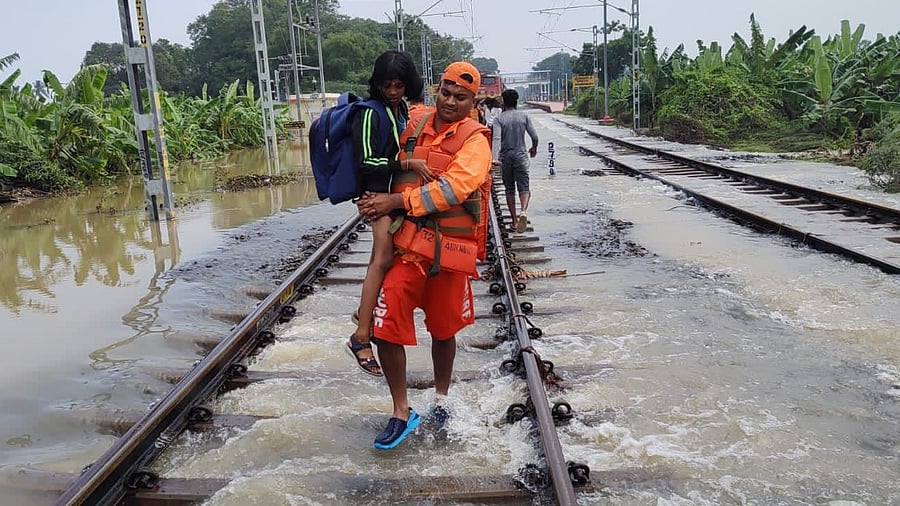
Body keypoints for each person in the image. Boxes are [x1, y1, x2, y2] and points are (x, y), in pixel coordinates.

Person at [355, 61, 492, 449]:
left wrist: (395, 200)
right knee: (387, 327)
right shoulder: (412, 122)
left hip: (449, 254)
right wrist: (368, 194)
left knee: (444, 331)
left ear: (473, 99)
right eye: (445, 93)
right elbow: (379, 152)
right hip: (406, 250)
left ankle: (442, 398)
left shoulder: (475, 141)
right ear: (436, 90)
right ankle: (401, 410)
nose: (450, 101)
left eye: (460, 97)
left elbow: (455, 189)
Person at [346, 50, 426, 377]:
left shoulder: (400, 109)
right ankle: (361, 336)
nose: (393, 91)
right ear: (377, 84)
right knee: (381, 260)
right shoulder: (370, 113)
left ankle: (363, 314)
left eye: (399, 85)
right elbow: (365, 161)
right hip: (376, 193)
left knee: (386, 259)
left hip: (392, 194)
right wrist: (406, 165)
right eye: (387, 85)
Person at [491, 89, 538, 234]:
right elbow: (534, 136)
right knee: (524, 187)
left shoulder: (499, 119)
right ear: (516, 101)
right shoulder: (524, 116)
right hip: (521, 156)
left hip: (506, 158)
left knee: (509, 189)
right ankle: (523, 211)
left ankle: (514, 221)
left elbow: (497, 138)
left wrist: (494, 157)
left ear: (503, 102)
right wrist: (534, 148)